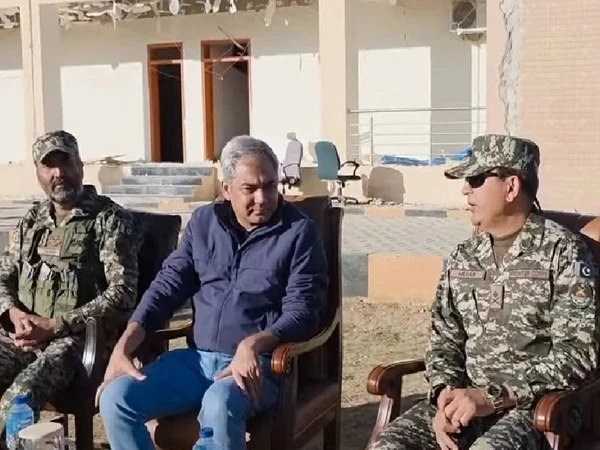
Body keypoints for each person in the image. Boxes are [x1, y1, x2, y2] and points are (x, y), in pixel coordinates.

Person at [368, 134, 599, 450]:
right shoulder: (464, 256)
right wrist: (445, 394)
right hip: (465, 402)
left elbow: (579, 353)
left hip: (537, 410)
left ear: (511, 187)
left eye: (476, 180)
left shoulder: (564, 253)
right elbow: (444, 339)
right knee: (387, 446)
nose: (465, 189)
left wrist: (493, 397)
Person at [97, 135, 328, 450]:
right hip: (197, 361)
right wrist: (126, 343)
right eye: (250, 189)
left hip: (260, 365)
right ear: (227, 189)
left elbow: (304, 311)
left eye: (270, 186)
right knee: (116, 399)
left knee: (219, 402)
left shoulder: (299, 232)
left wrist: (254, 343)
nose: (262, 198)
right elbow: (167, 286)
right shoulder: (204, 222)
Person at [0, 130, 140, 446]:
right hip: (24, 336)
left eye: (65, 163)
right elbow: (3, 277)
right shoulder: (32, 220)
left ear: (80, 166)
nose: (58, 173)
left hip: (78, 341)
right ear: (38, 172)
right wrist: (14, 313)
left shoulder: (109, 219)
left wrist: (55, 325)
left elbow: (122, 293)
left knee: (22, 394)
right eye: (49, 166)